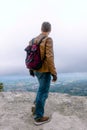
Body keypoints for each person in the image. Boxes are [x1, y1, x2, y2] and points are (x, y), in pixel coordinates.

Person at [29, 22, 57, 125]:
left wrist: (31, 69)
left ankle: (36, 108)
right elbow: (49, 57)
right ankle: (38, 117)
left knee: (40, 90)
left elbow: (30, 56)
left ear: (41, 29)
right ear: (50, 30)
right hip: (44, 70)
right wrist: (54, 73)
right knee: (43, 92)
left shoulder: (32, 40)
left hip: (35, 70)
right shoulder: (48, 39)